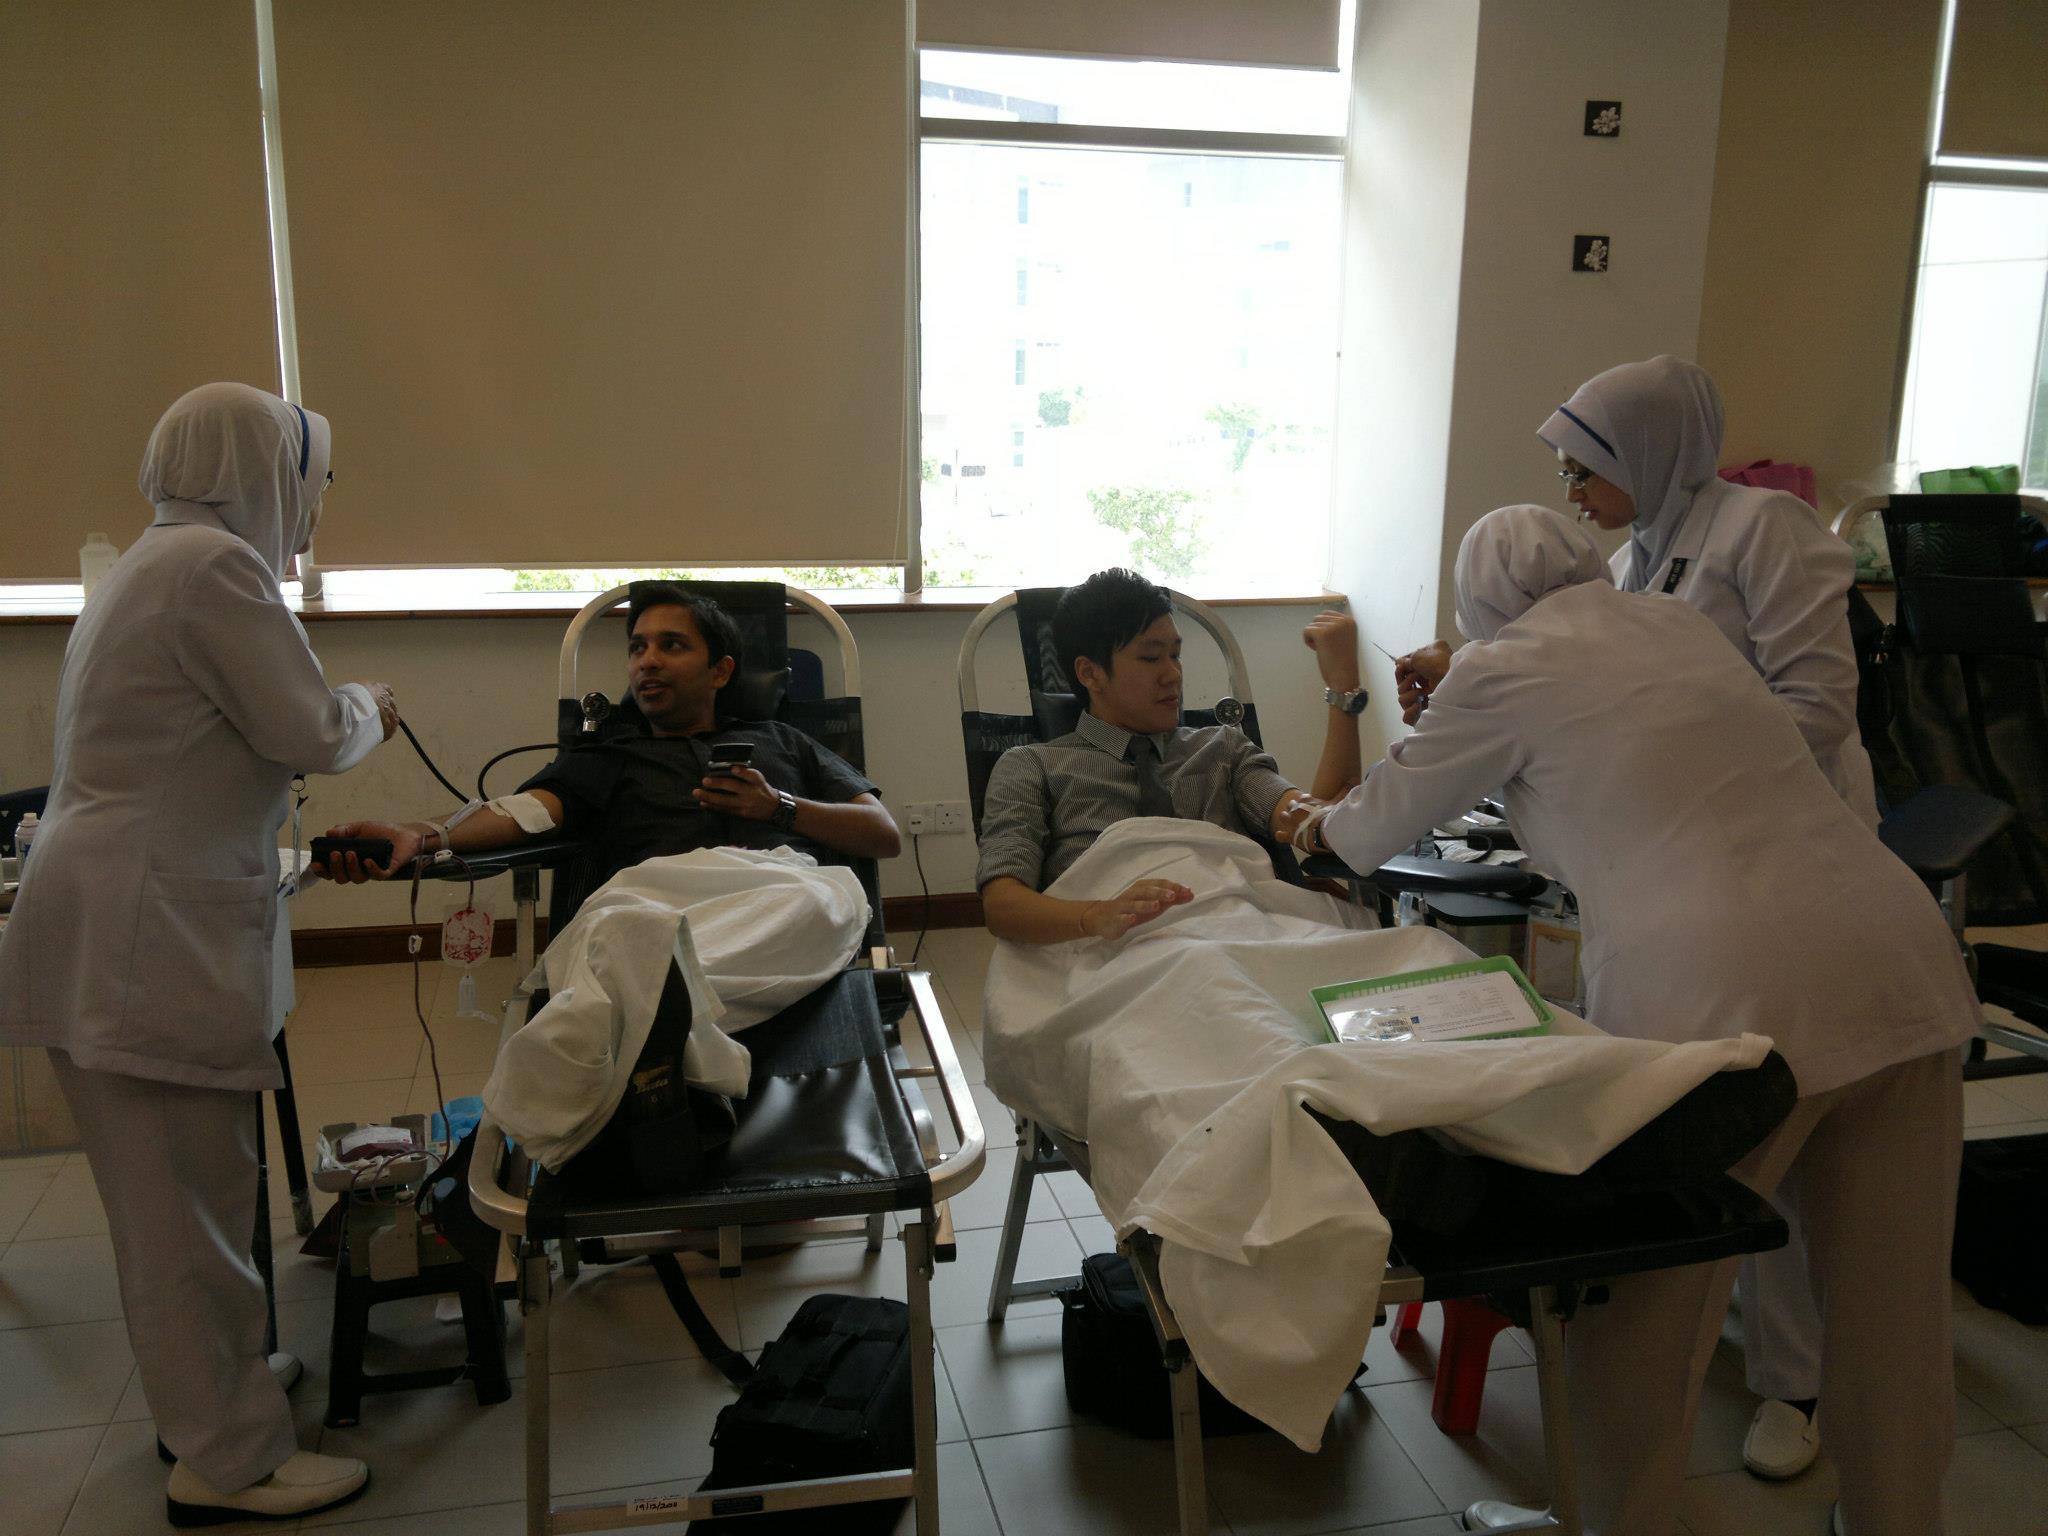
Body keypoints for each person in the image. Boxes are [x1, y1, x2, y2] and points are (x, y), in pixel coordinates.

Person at [1302, 505, 1973, 1536]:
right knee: (1895, 1315)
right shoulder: (1676, 624)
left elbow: (1364, 833)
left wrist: (1305, 821)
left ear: (1478, 601)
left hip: (1727, 1003)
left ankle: (1608, 1521)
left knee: (1645, 1315)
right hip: (1898, 962)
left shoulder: (1499, 670)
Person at [1400, 356, 1871, 1471]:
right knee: (1706, 1120)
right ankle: (1702, 1340)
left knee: (1778, 1120)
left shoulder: (1764, 529)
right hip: (1676, 879)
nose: (1570, 492)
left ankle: (1794, 1388)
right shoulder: (1629, 560)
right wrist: (1480, 672)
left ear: (1648, 452)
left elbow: (1817, 704)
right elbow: (1600, 681)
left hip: (1783, 858)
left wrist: (1675, 753)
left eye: (1583, 469)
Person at [0, 383, 394, 1524]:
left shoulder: (153, 563)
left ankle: (223, 1391)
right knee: (179, 1212)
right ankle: (228, 1462)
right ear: (263, 466)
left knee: (194, 1188)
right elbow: (308, 726)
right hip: (141, 928)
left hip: (126, 909)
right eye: (312, 478)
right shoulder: (214, 570)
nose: (314, 502)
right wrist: (371, 703)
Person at [323, 583, 899, 886]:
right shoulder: (609, 757)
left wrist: (778, 808)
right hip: (657, 920)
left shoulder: (784, 741)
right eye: (638, 647)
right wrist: (419, 833)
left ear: (721, 671)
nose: (648, 661)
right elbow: (524, 813)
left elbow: (882, 834)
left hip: (782, 902)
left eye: (672, 645)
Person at [976, 566, 1364, 944]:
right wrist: (1096, 915)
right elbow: (1002, 905)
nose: (1173, 674)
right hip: (1112, 954)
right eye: (1151, 658)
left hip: (1237, 935)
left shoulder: (1223, 749)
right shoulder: (1032, 766)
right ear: (1090, 673)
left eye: (1175, 655)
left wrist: (1342, 688)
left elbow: (1315, 824)